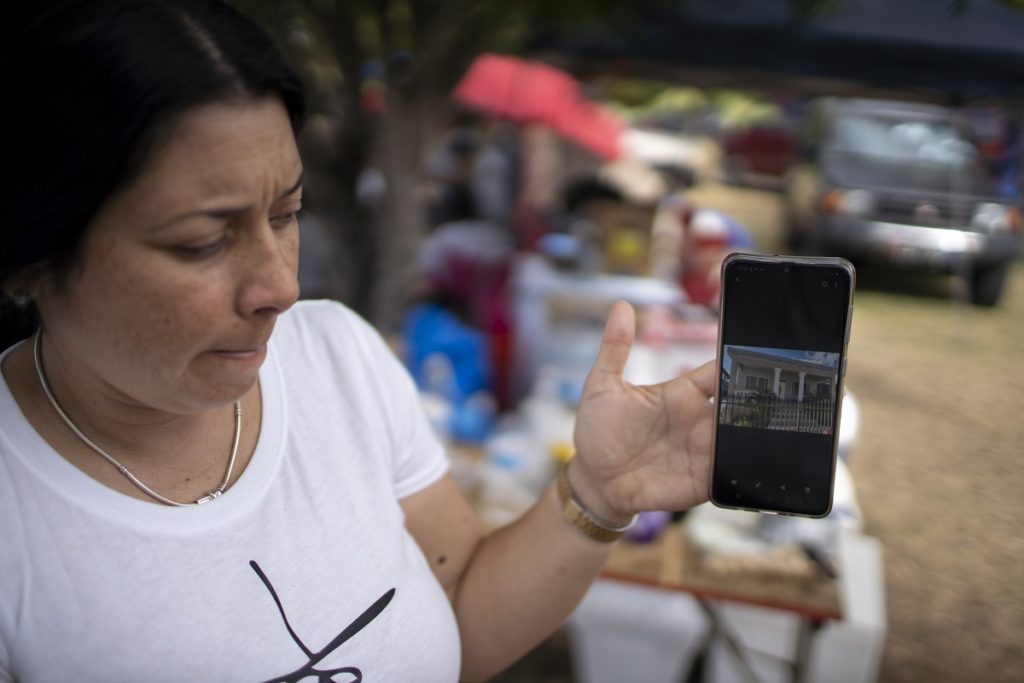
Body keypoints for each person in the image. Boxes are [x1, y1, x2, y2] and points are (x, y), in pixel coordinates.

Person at [0, 2, 717, 681]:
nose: (279, 287)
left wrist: (597, 493)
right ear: (35, 255)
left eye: (286, 215)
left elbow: (461, 611)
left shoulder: (338, 359)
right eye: (203, 242)